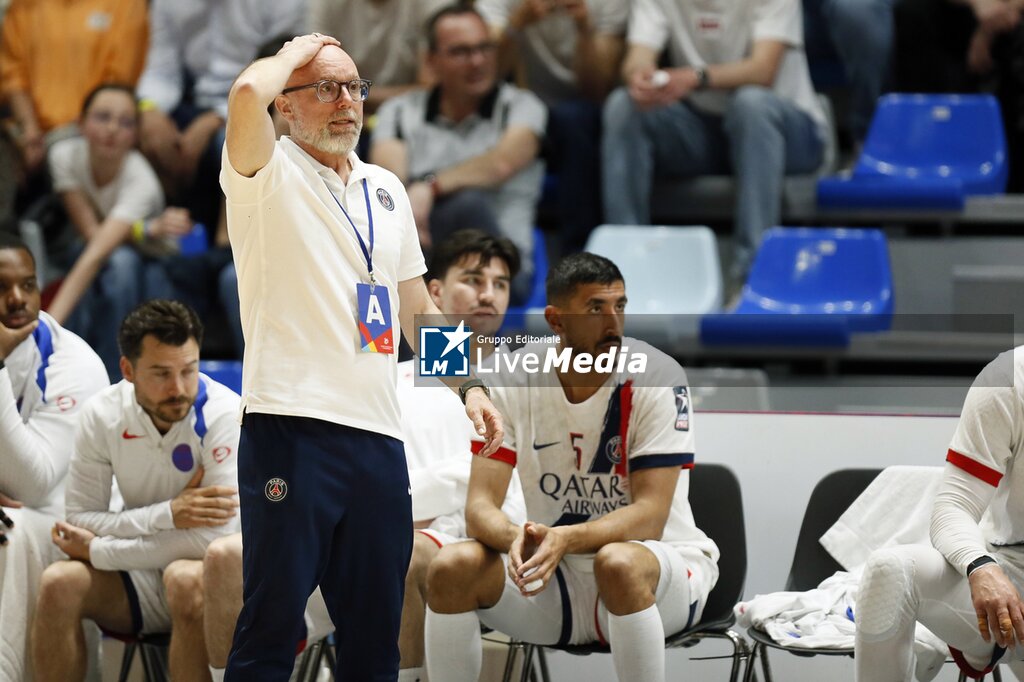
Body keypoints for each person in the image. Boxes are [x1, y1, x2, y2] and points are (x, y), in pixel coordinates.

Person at [220, 32, 504, 680]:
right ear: (287, 106)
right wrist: (294, 52)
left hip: (378, 439)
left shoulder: (387, 189)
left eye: (354, 87)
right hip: (290, 427)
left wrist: (471, 389)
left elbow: (416, 310)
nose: (346, 101)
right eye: (325, 88)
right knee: (271, 626)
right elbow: (244, 94)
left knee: (377, 638)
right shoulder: (265, 172)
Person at [199, 230, 526, 682]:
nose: (488, 295)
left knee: (399, 553)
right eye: (473, 280)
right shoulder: (388, 373)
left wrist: (394, 505)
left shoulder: (516, 381)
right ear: (433, 292)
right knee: (225, 558)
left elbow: (483, 482)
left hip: (450, 538)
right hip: (361, 520)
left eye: (501, 285)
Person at [424, 252, 720, 682]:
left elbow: (651, 517)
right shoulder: (510, 377)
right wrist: (520, 541)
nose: (613, 323)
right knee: (449, 566)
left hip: (659, 571)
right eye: (595, 309)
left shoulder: (657, 375)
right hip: (554, 581)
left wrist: (565, 538)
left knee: (617, 563)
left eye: (619, 307)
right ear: (556, 320)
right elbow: (480, 508)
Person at [30, 299, 240, 682]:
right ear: (127, 369)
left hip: (208, 583)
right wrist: (169, 513)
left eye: (188, 371)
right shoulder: (101, 413)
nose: (178, 388)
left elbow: (215, 539)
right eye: (161, 373)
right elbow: (79, 518)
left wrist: (99, 550)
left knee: (183, 578)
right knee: (58, 583)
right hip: (139, 577)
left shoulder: (225, 415)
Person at [601, 0, 827, 288]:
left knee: (750, 104)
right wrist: (640, 76)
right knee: (624, 104)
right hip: (707, 129)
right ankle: (626, 272)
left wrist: (694, 77)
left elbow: (763, 71)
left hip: (789, 134)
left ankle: (754, 277)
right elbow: (638, 56)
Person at [855, 346, 1024, 681]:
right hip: (1014, 568)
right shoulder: (1008, 380)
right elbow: (954, 506)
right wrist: (981, 567)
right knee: (889, 572)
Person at [371, 4, 547, 302]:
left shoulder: (522, 107)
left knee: (467, 206)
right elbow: (389, 185)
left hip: (501, 273)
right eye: (461, 52)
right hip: (422, 265)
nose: (477, 61)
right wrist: (414, 194)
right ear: (432, 61)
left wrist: (429, 186)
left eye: (485, 48)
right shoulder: (399, 111)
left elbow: (500, 164)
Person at [0, 233, 108, 681]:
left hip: (70, 526)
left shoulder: (72, 363)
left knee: (8, 530)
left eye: (28, 285)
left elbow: (34, 483)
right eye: (1, 288)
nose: (17, 299)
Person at [45, 84, 195, 380]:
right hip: (100, 246)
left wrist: (48, 324)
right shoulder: (63, 156)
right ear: (81, 123)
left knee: (122, 264)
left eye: (126, 122)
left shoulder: (142, 180)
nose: (112, 129)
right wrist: (143, 228)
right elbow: (92, 234)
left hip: (153, 259)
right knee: (98, 257)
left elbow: (98, 251)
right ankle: (64, 368)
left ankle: (113, 375)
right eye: (102, 117)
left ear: (136, 135)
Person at [478, 0, 628, 252]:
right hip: (524, 105)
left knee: (575, 118)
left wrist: (584, 29)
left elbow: (596, 89)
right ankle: (489, 249)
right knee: (496, 111)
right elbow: (483, 74)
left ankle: (580, 253)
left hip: (585, 113)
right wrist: (517, 24)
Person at [309, 0, 448, 115]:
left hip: (413, 113)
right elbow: (320, 81)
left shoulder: (431, 5)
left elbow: (430, 88)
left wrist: (350, 93)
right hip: (340, 109)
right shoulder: (326, 4)